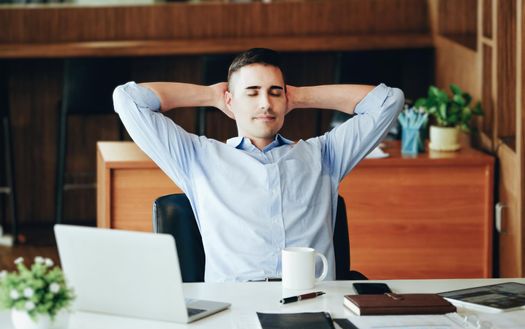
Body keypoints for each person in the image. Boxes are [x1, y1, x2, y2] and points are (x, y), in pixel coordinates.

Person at [113, 48, 404, 282]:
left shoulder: (324, 154)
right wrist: (211, 96)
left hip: (311, 299)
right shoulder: (197, 157)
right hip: (234, 303)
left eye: (274, 92)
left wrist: (299, 95)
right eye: (252, 92)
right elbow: (128, 99)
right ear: (230, 100)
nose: (265, 103)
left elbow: (389, 101)